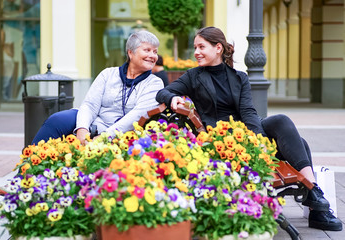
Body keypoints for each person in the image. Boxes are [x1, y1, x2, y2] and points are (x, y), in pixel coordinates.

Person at [156, 26, 342, 231]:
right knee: (298, 142)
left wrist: (259, 142)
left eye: (201, 46)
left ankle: (314, 195)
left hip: (246, 133)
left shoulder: (239, 77)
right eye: (195, 47)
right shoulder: (193, 76)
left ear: (218, 48)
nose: (197, 52)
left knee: (285, 126)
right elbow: (163, 92)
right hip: (223, 138)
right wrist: (172, 97)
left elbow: (248, 112)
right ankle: (318, 207)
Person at [31, 30, 163, 145]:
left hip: (124, 132)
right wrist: (82, 129)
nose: (152, 56)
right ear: (130, 53)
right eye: (147, 50)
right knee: (57, 120)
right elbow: (89, 105)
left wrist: (104, 137)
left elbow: (135, 116)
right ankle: (28, 165)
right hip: (94, 122)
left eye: (155, 52)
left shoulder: (154, 83)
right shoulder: (108, 74)